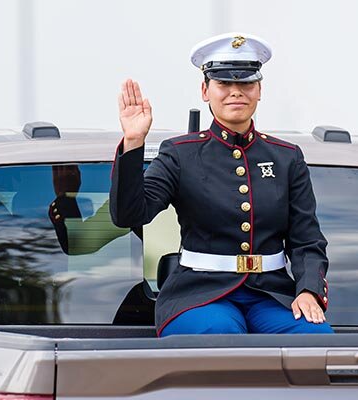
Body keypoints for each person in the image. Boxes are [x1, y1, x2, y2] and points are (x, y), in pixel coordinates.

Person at [110, 32, 333, 336]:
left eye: (245, 83)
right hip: (199, 295)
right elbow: (131, 215)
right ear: (205, 90)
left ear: (259, 90)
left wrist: (308, 290)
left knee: (315, 340)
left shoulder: (286, 158)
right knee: (222, 339)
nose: (235, 92)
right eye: (224, 83)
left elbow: (307, 240)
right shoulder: (180, 153)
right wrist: (134, 142)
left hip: (271, 295)